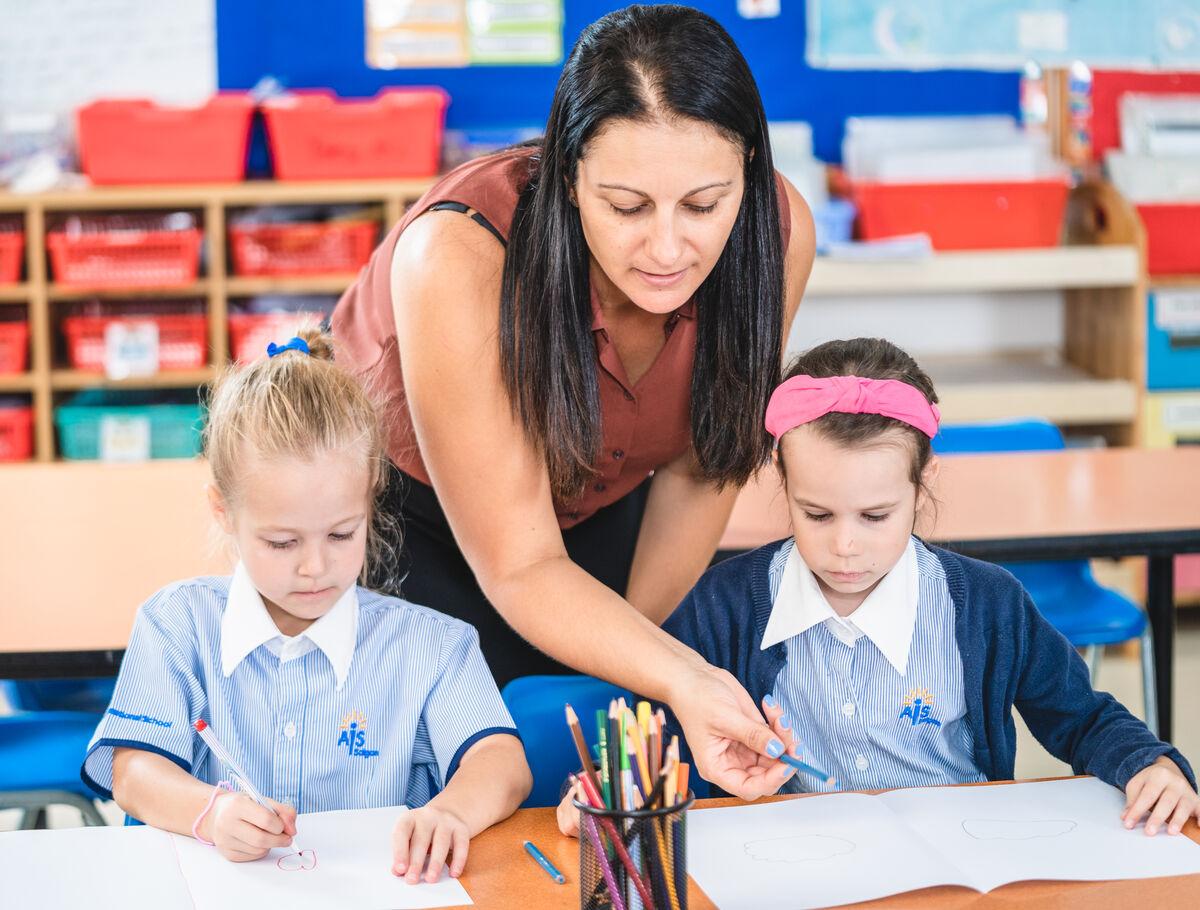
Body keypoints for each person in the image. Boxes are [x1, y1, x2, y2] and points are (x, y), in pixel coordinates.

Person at [332, 4, 815, 801]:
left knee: (590, 732)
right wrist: (682, 677)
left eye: (704, 205)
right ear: (567, 178)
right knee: (455, 785)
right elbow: (518, 563)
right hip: (413, 523)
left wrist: (640, 668)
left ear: (750, 173)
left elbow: (703, 467)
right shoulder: (457, 256)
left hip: (601, 500)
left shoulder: (778, 229)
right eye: (627, 207)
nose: (667, 249)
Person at [558, 337, 1198, 837]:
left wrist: (1149, 764)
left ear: (921, 487)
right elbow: (654, 737)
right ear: (780, 476)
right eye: (816, 515)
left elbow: (1082, 719)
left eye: (875, 516)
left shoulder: (988, 606)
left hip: (955, 874)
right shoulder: (723, 606)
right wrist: (612, 788)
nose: (845, 546)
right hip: (786, 871)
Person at [81, 329, 531, 884]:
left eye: (342, 534)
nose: (315, 567)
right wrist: (210, 812)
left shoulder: (433, 646)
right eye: (282, 543)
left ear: (370, 499)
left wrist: (451, 812)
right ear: (224, 513)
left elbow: (502, 761)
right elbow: (132, 772)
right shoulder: (176, 626)